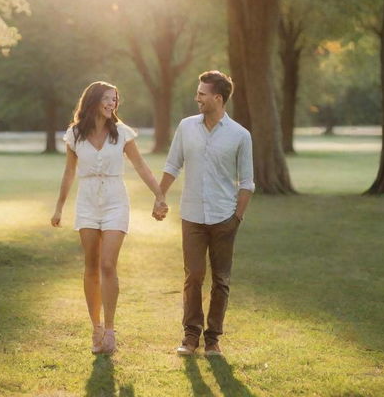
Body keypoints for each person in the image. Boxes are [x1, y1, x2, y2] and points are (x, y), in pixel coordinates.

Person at [51, 81, 168, 354]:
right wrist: (59, 208)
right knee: (91, 265)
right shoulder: (74, 135)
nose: (111, 104)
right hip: (88, 201)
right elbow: (69, 173)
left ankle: (111, 330)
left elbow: (140, 165)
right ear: (93, 101)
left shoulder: (122, 133)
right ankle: (96, 328)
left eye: (114, 99)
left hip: (116, 200)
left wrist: (159, 194)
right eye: (106, 98)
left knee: (107, 264)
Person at [155, 70, 254, 358]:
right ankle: (190, 336)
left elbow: (247, 182)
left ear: (217, 98)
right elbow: (173, 165)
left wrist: (237, 217)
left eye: (202, 93)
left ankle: (213, 339)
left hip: (225, 218)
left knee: (221, 280)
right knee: (194, 276)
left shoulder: (240, 135)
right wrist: (159, 197)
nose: (196, 97)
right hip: (192, 217)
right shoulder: (186, 127)